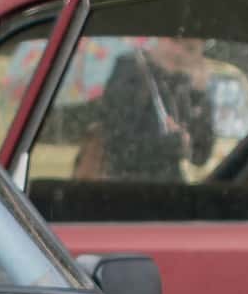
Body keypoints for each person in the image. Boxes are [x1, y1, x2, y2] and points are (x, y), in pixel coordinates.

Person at [82, 35, 213, 185]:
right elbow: (119, 149)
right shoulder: (130, 73)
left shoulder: (184, 86)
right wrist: (175, 143)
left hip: (170, 190)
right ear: (164, 40)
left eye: (193, 50)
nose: (181, 53)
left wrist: (199, 97)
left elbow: (201, 154)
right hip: (130, 189)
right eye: (186, 47)